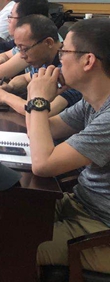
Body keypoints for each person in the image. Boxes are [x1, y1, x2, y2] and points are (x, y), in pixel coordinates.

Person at [24, 18, 110, 274]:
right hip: (80, 205)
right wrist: (35, 97)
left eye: (64, 52)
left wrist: (38, 100)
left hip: (100, 231)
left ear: (88, 60)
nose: (59, 60)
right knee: (2, 215)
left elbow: (43, 164)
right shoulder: (91, 101)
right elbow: (44, 129)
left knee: (11, 243)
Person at [0, 15, 81, 116]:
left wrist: (4, 97)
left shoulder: (69, 68)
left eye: (24, 49)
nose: (22, 56)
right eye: (19, 49)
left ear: (48, 43)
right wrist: (10, 87)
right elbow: (25, 78)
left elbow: (45, 110)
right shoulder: (45, 60)